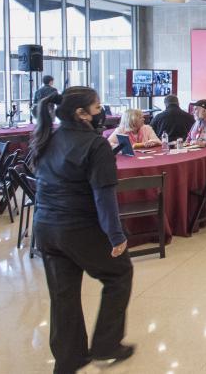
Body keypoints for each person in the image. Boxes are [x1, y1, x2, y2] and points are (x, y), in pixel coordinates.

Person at [30, 87, 134, 373]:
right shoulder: (95, 145)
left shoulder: (46, 137)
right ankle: (106, 345)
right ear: (82, 113)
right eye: (98, 107)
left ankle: (69, 358)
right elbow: (104, 196)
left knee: (63, 295)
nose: (102, 112)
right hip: (78, 227)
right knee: (119, 273)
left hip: (46, 228)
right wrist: (116, 236)